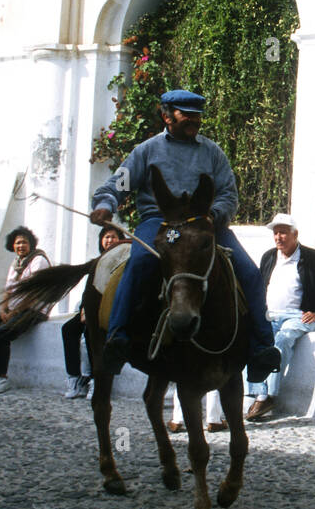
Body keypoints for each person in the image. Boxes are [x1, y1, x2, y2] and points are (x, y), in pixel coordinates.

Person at [89, 89, 280, 381]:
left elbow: (228, 194)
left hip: (206, 224)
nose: (193, 120)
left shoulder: (212, 152)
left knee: (250, 273)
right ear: (166, 116)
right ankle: (118, 336)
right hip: (159, 221)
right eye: (186, 114)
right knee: (139, 263)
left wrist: (214, 216)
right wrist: (105, 205)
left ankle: (262, 348)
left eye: (197, 115)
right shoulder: (146, 151)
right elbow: (118, 184)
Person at [246, 213, 315, 421]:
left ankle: (267, 396)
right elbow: (260, 287)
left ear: (295, 234)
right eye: (276, 233)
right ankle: (254, 394)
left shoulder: (311, 258)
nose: (278, 237)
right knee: (255, 342)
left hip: (297, 316)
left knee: (282, 339)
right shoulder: (269, 257)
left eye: (283, 233)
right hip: (269, 315)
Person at [62, 224, 127, 398]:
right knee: (68, 329)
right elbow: (88, 290)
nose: (109, 240)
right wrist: (84, 309)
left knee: (92, 333)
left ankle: (95, 379)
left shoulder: (125, 262)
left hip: (111, 310)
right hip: (91, 309)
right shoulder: (97, 262)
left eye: (113, 237)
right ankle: (74, 378)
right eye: (106, 237)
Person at [0, 227, 52, 394]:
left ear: (31, 244)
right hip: (14, 309)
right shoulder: (16, 263)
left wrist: (14, 312)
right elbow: (9, 289)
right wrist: (3, 309)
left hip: (34, 310)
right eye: (17, 242)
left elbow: (33, 294)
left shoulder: (38, 261)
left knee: (2, 334)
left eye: (24, 242)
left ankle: (1, 378)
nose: (21, 245)